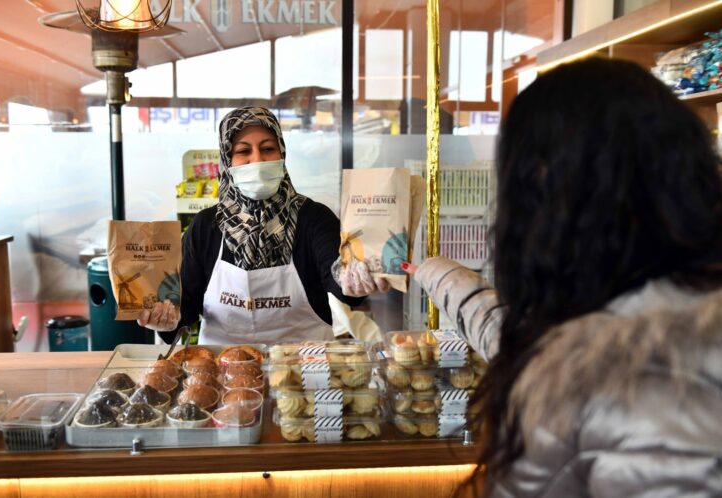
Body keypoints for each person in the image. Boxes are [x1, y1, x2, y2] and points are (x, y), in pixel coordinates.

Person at [408, 57, 722, 496]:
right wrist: (429, 270)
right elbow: (517, 340)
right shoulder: (639, 309)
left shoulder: (637, 380)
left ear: (546, 183)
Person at [140, 107, 387, 344]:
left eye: (268, 149)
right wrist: (166, 319)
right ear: (227, 160)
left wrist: (354, 278)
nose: (257, 160)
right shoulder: (206, 226)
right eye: (243, 151)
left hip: (306, 369)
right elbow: (187, 304)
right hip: (221, 372)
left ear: (282, 154)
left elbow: (337, 281)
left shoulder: (313, 218)